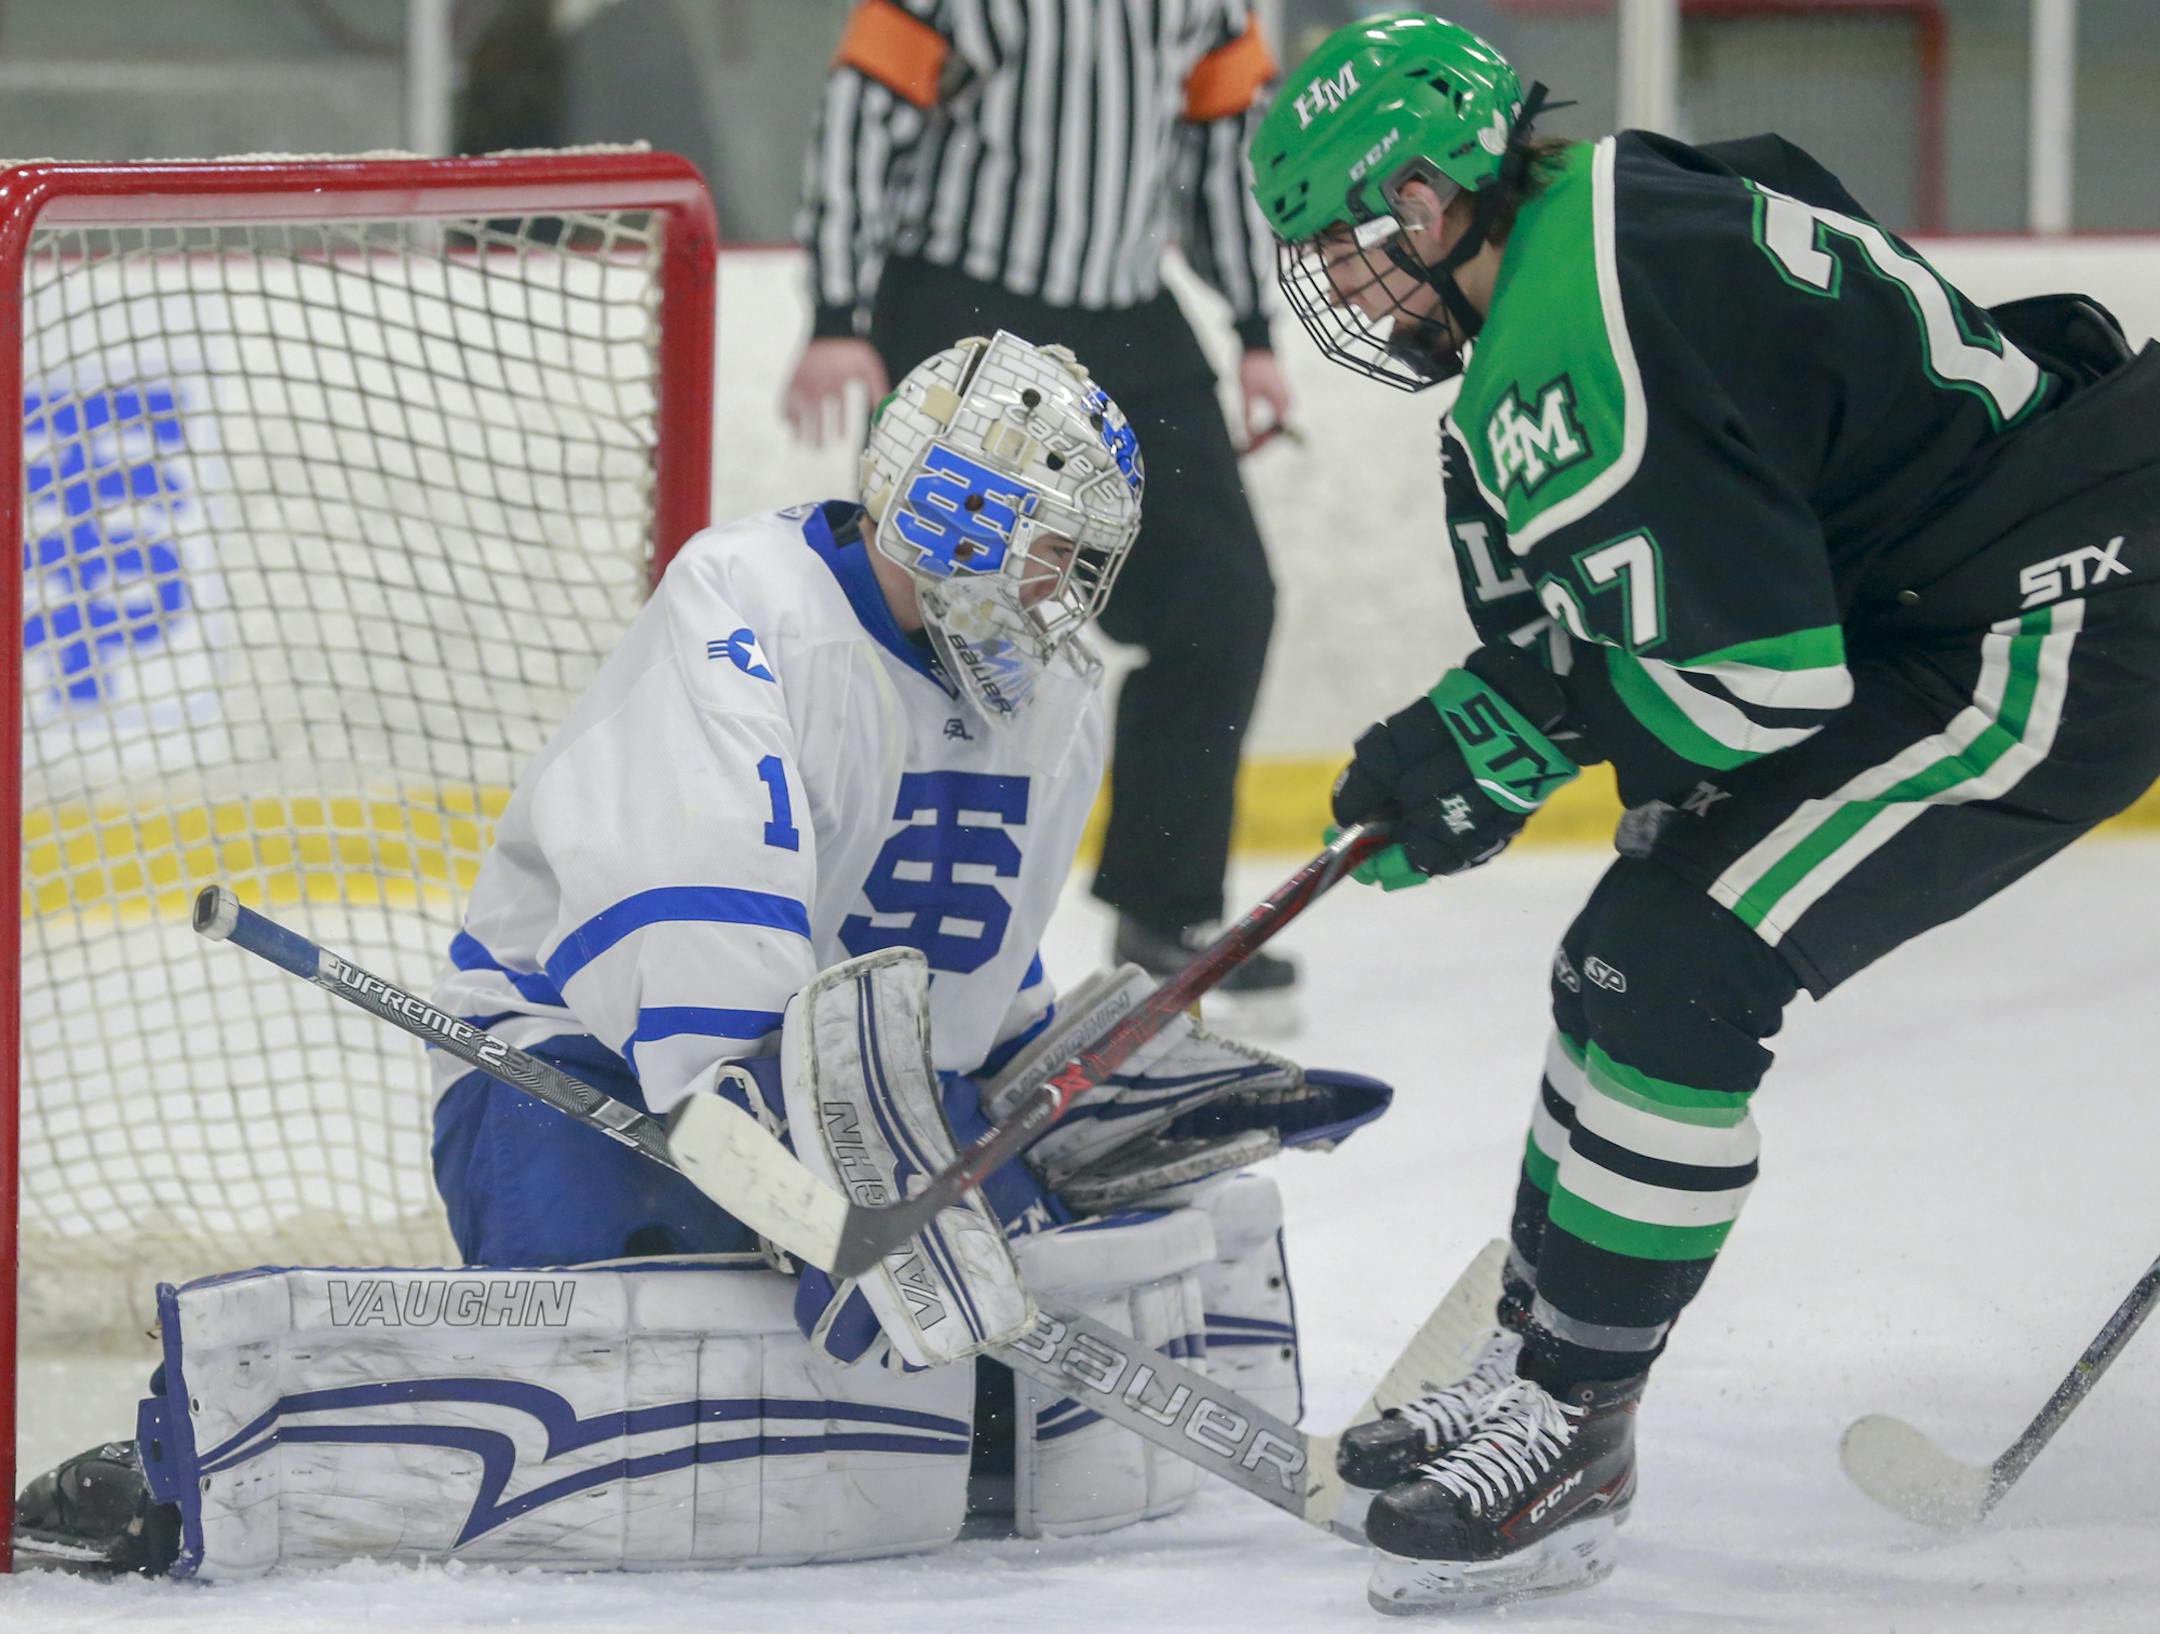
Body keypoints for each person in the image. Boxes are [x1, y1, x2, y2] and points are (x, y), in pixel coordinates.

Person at [12, 332, 1391, 1578]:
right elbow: (696, 939)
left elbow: (973, 991)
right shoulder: (747, 598)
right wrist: (813, 1178)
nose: (1062, 593)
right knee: (615, 1365)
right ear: (953, 512)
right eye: (1047, 548)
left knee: (988, 1398)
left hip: (862, 1111)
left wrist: (1056, 1106)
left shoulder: (1056, 699)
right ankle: (188, 1461)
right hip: (589, 1069)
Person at [1247, 13, 2160, 1614]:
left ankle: (1575, 1427)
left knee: (1683, 960)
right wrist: (1480, 730)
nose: (1343, 285)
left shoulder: (1575, 315)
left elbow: (1758, 687)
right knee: (1634, 935)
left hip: (2049, 621)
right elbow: (1647, 607)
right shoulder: (1599, 231)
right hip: (1934, 597)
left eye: (1348, 240)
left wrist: (1518, 732)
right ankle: (1538, 1363)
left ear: (1431, 198)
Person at [786, 0, 1302, 1021]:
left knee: (1224, 600)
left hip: (1133, 316)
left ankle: (1167, 908)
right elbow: (860, 118)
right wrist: (837, 314)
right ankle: (859, 913)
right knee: (933, 620)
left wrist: (1250, 327)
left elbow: (1216, 151)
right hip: (963, 300)